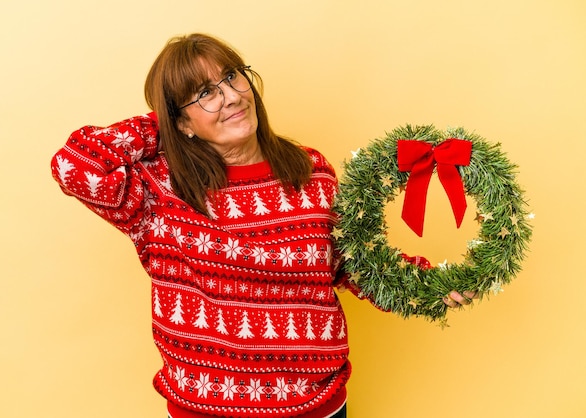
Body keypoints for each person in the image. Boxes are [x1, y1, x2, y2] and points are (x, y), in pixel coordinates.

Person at [51, 33, 474, 418]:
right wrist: (166, 121)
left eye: (233, 77)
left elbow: (350, 264)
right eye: (204, 94)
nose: (232, 97)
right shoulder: (157, 189)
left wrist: (429, 285)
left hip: (313, 403)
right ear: (181, 122)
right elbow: (75, 164)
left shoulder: (311, 169)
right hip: (206, 409)